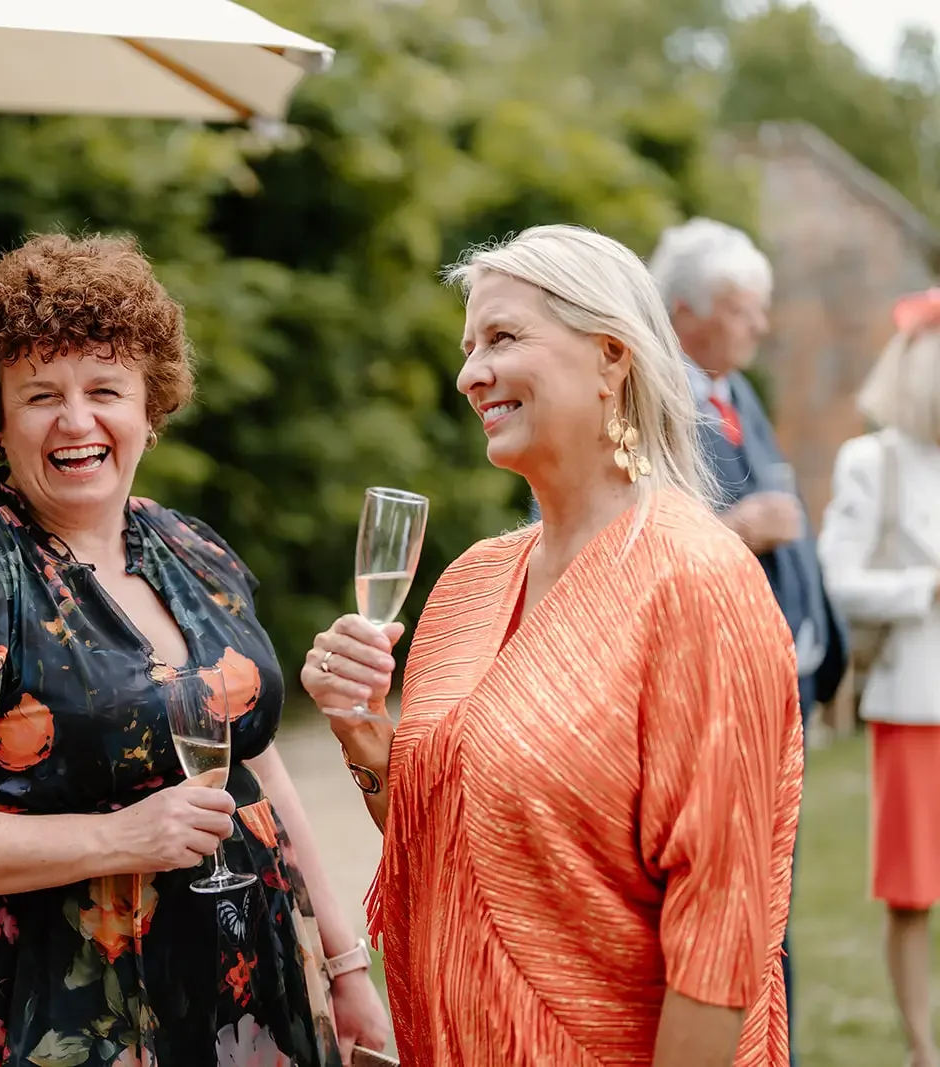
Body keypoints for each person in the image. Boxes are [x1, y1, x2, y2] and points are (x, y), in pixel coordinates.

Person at [0, 232, 390, 1066]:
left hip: (250, 982)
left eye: (105, 388)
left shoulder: (196, 550)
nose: (77, 421)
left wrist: (342, 962)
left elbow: (259, 763)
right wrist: (119, 837)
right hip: (62, 1012)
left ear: (149, 411)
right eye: (41, 393)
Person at [303, 225, 802, 1066]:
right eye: (468, 347)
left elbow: (720, 939)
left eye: (502, 337)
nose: (469, 373)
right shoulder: (467, 584)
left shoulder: (697, 582)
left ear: (611, 355)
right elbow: (458, 843)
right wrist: (366, 743)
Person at [647, 217, 847, 1052]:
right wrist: (734, 527)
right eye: (744, 307)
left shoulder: (740, 394)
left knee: (772, 896)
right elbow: (634, 542)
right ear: (686, 308)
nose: (761, 324)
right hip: (709, 692)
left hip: (779, 689)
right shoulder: (656, 398)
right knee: (724, 897)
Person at [817, 287, 940, 1067]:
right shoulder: (874, 460)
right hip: (913, 704)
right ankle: (922, 1048)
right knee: (912, 891)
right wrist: (926, 588)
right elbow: (840, 579)